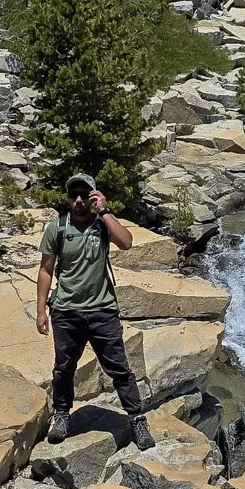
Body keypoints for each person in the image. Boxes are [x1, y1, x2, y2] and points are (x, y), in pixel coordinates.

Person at [36, 170, 154, 450]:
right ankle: (62, 415)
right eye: (74, 195)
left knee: (120, 369)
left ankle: (137, 419)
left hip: (103, 310)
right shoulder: (57, 228)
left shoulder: (102, 223)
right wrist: (41, 311)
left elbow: (126, 242)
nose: (78, 200)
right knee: (63, 368)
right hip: (66, 311)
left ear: (92, 196)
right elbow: (45, 270)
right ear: (68, 198)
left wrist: (104, 210)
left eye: (84, 195)